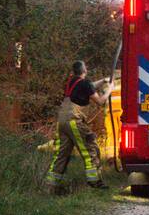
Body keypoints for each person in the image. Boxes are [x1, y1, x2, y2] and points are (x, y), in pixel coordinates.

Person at [45, 61, 113, 192]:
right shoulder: (84, 84)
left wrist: (103, 81)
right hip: (74, 122)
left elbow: (90, 86)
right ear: (84, 70)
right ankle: (95, 182)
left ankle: (52, 186)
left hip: (62, 122)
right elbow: (100, 101)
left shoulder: (72, 82)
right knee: (90, 148)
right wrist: (109, 89)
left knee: (61, 154)